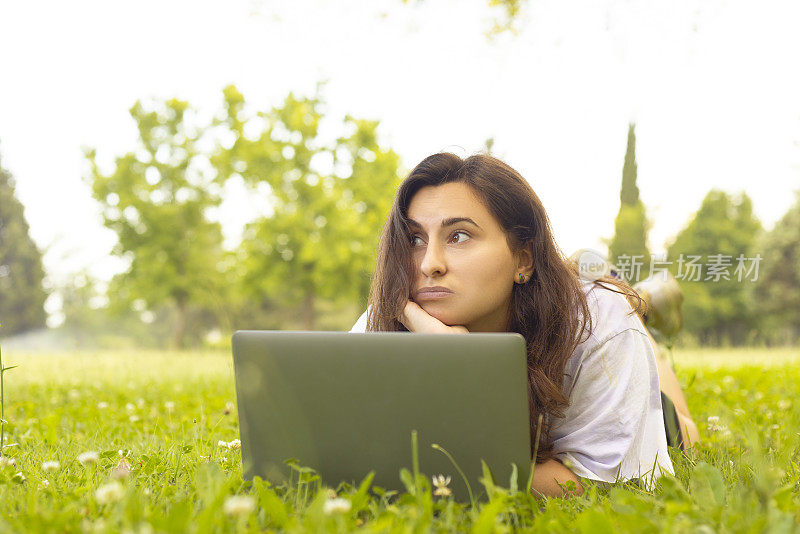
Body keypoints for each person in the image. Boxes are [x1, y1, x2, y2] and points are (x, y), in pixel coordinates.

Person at [349, 152, 690, 497]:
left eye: (459, 236)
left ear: (523, 258)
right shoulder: (384, 322)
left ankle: (637, 311)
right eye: (414, 240)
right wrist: (457, 366)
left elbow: (596, 486)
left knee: (684, 430)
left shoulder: (597, 322)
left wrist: (464, 376)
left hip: (595, 341)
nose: (429, 264)